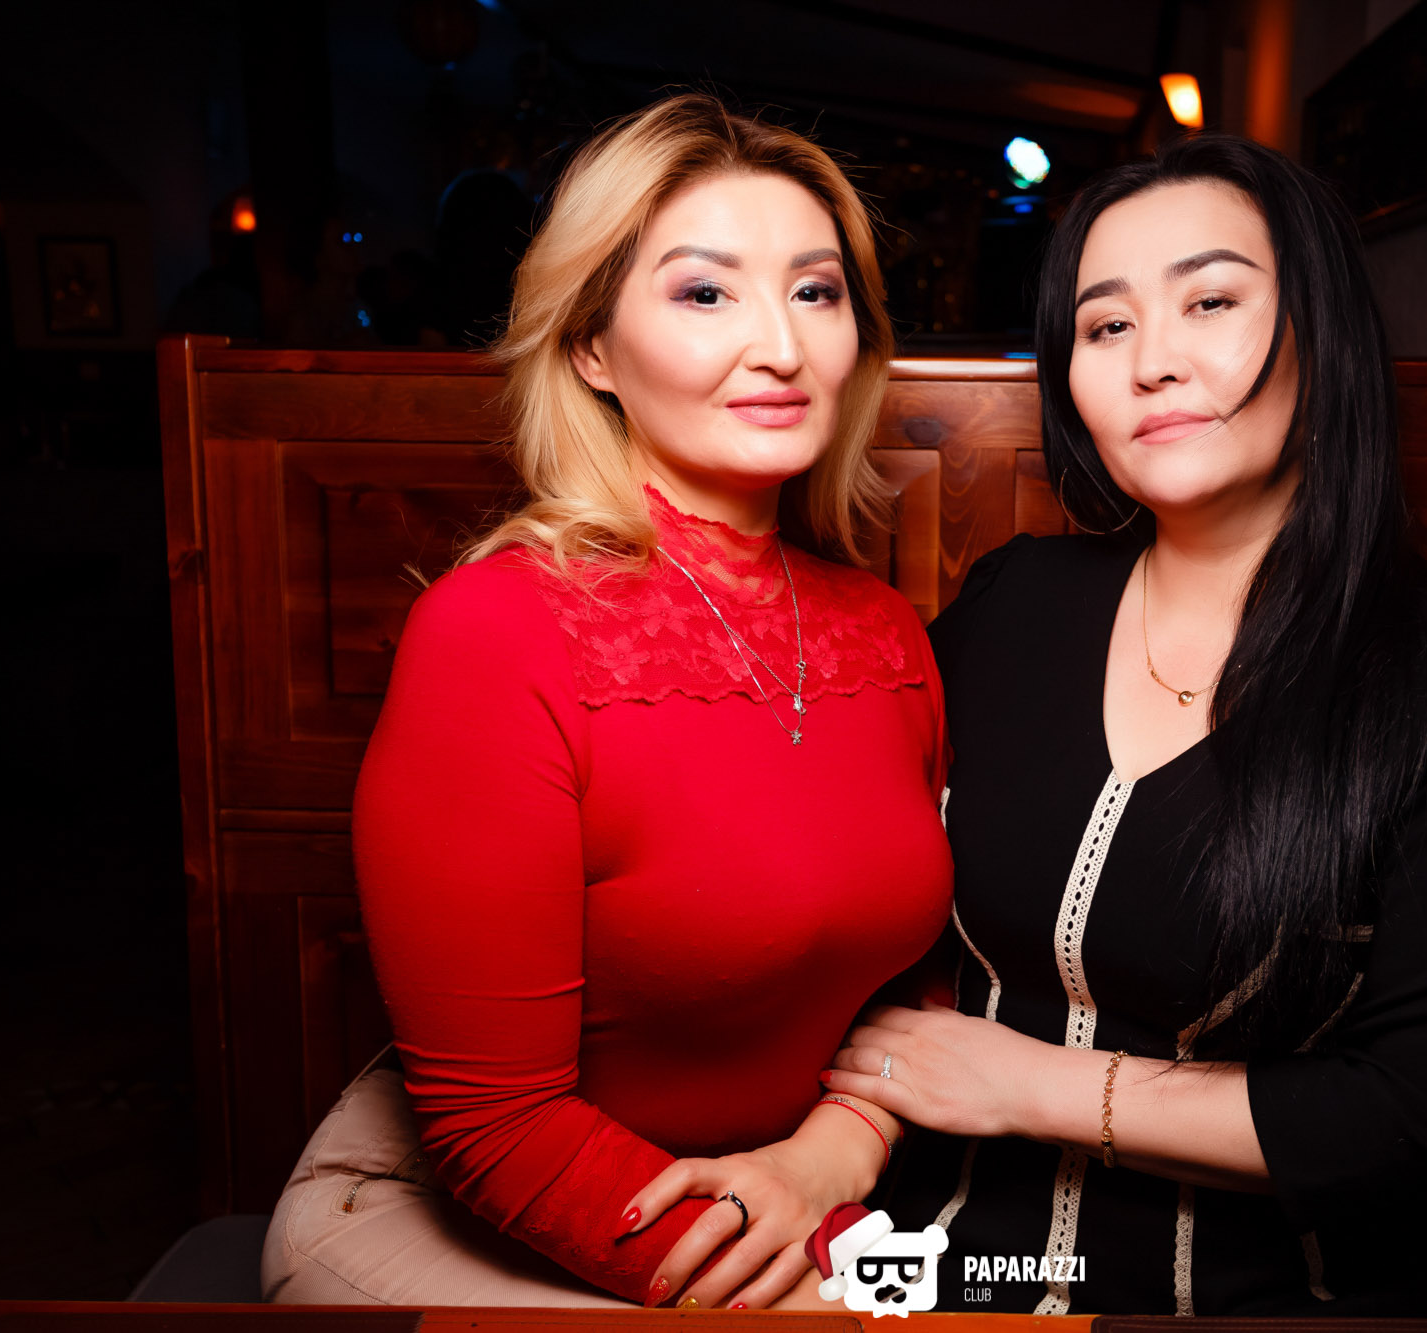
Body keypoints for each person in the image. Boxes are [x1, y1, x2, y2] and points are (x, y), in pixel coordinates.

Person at [823, 134, 1427, 1315]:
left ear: (1321, 336)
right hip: (927, 1267)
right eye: (1105, 325)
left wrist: (1032, 1085)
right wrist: (816, 1154)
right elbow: (870, 935)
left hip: (1255, 1297)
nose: (1152, 362)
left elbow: (1416, 1115)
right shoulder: (1010, 604)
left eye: (1209, 302)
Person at [262, 94, 951, 1311]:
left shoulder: (882, 630)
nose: (780, 346)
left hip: (783, 1193)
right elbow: (495, 1126)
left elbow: (920, 968)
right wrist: (823, 1286)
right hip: (465, 1204)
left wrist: (835, 1156)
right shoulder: (494, 633)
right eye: (704, 293)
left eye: (814, 290)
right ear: (589, 349)